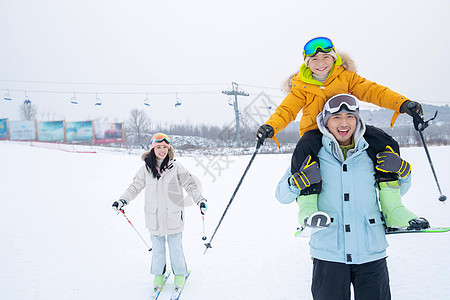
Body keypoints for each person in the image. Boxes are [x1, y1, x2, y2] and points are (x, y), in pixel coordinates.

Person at [275, 94, 429, 300]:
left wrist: (404, 171)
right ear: (325, 121)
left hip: (371, 253)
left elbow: (396, 192)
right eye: (336, 117)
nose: (344, 123)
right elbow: (281, 196)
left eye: (350, 116)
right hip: (329, 254)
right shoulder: (312, 151)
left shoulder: (372, 149)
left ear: (357, 120)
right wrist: (296, 182)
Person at [256, 36, 423, 147]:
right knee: (304, 151)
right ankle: (308, 196)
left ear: (334, 59)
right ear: (307, 63)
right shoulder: (301, 86)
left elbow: (374, 91)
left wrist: (402, 103)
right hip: (315, 132)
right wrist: (271, 126)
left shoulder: (345, 77)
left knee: (385, 143)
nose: (321, 63)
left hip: (348, 128)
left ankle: (388, 186)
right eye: (314, 59)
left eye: (326, 57)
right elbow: (286, 111)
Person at [112, 133, 208, 290]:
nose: (162, 150)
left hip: (174, 216)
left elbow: (190, 185)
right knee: (157, 249)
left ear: (169, 148)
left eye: (165, 147)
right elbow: (134, 187)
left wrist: (200, 200)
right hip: (154, 217)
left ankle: (179, 274)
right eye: (158, 147)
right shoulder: (146, 169)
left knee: (175, 248)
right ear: (152, 149)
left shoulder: (176, 167)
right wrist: (122, 200)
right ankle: (159, 274)